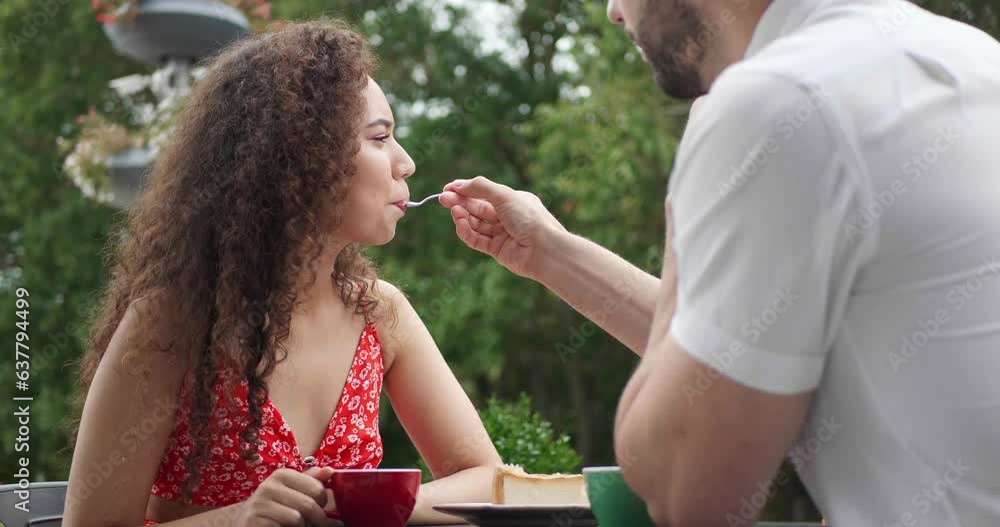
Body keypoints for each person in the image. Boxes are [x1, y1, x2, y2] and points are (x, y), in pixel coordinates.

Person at [439, 0, 1000, 524]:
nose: (612, 11)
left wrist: (686, 210)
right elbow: (730, 353)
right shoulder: (968, 55)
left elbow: (681, 488)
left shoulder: (779, 100)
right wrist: (550, 253)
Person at [64, 21, 500, 527]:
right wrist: (237, 519)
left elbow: (484, 478)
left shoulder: (380, 313)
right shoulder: (169, 325)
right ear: (299, 161)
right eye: (380, 138)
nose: (406, 163)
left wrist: (362, 503)